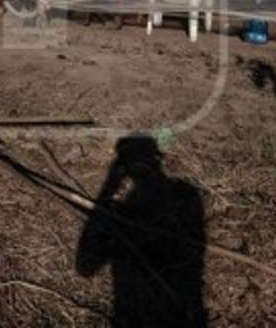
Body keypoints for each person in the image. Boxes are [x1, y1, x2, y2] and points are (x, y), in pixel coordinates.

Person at [77, 135, 207, 327]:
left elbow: (85, 267)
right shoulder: (183, 196)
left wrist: (109, 188)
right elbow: (85, 267)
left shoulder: (181, 198)